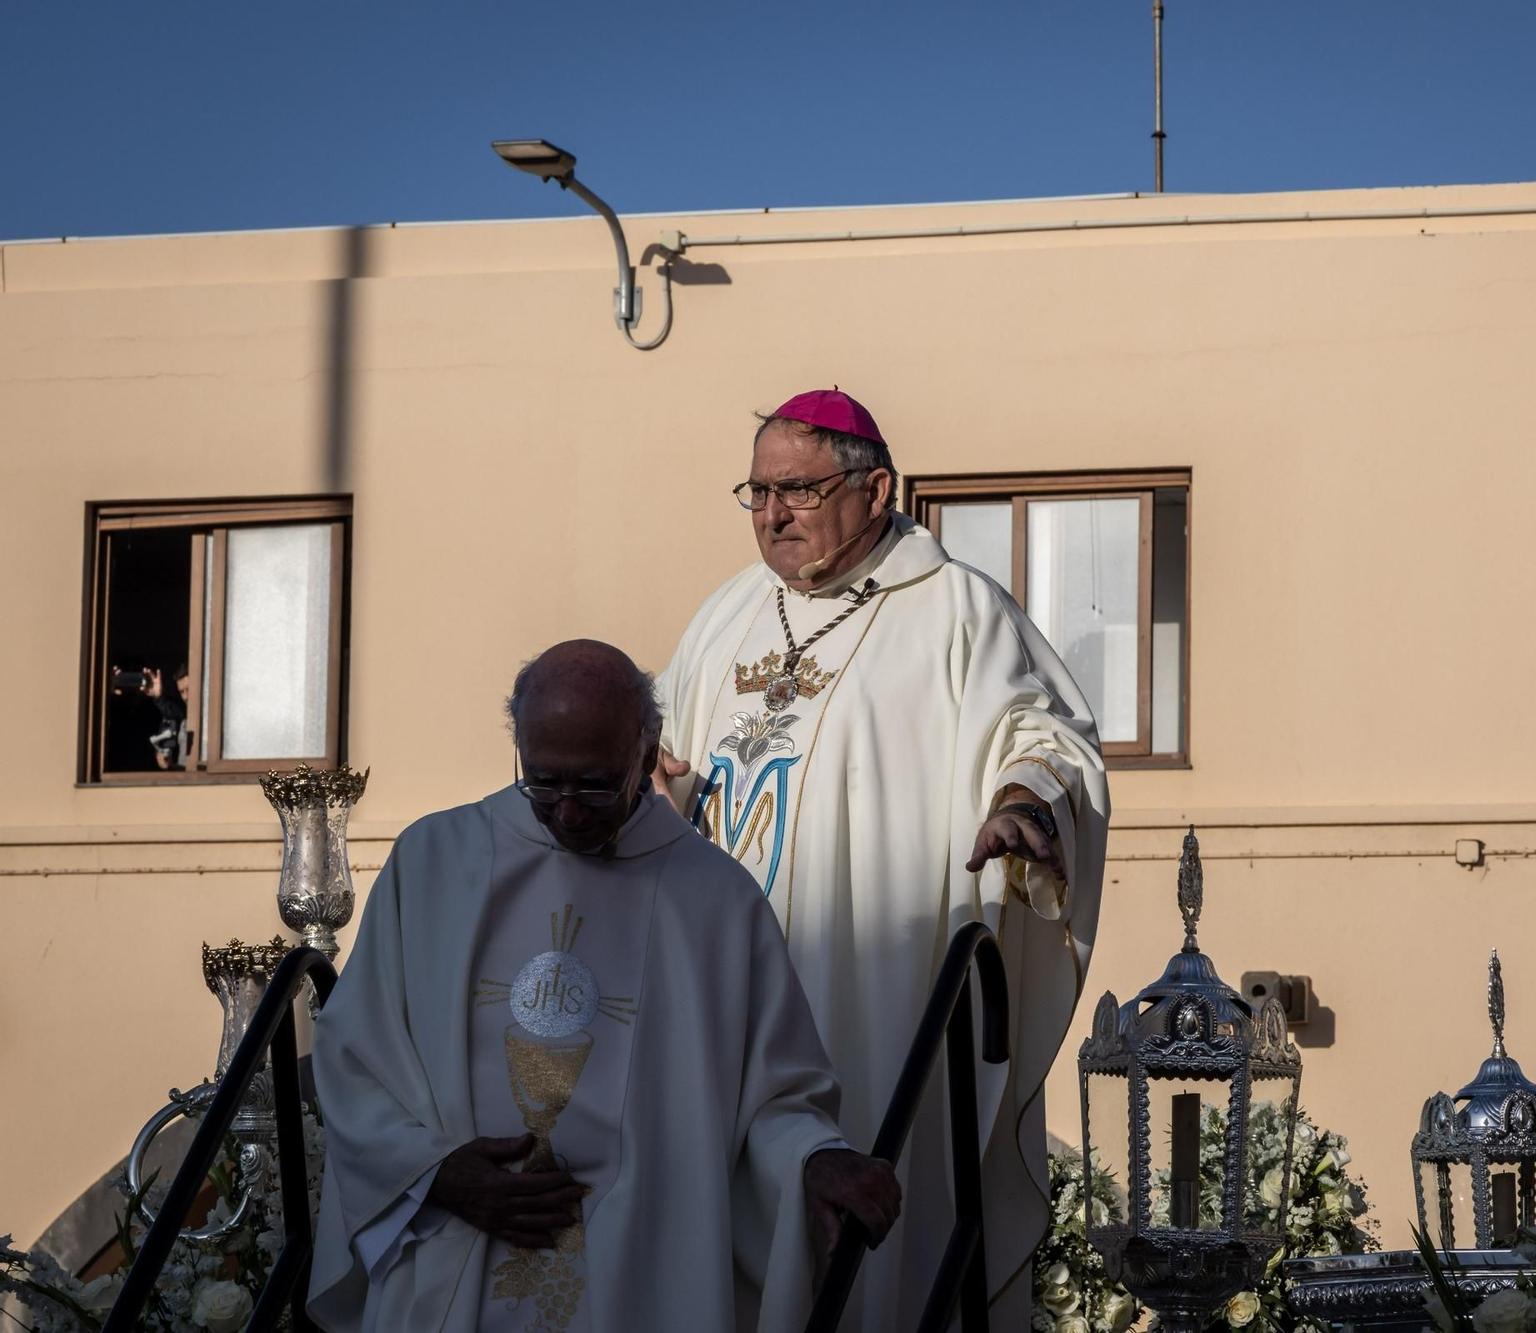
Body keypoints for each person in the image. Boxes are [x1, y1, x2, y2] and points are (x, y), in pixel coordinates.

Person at [652, 389, 1109, 1328]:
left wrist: (1023, 800)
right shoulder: (727, 614)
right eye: (756, 491)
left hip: (864, 983)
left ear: (876, 488)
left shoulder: (956, 610)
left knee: (864, 1243)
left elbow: (1045, 731)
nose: (772, 513)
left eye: (798, 490)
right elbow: (656, 734)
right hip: (718, 980)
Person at [307, 639, 901, 1333]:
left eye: (593, 784)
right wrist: (434, 1172)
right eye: (543, 782)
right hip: (455, 1244)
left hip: (641, 1269)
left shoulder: (714, 901)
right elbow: (355, 1057)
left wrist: (815, 1156)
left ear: (646, 755)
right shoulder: (434, 861)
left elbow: (770, 1096)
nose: (566, 811)